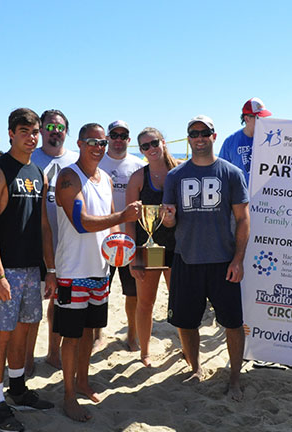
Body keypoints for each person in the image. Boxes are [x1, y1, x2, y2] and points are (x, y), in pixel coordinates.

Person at [53, 123, 141, 422]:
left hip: (100, 269)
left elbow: (110, 224)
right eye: (93, 141)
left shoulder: (103, 177)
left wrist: (122, 246)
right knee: (72, 336)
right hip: (72, 270)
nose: (99, 147)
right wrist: (123, 216)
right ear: (79, 143)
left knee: (90, 333)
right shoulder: (68, 176)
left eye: (102, 143)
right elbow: (81, 222)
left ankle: (82, 382)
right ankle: (67, 395)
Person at [161, 115, 250, 401]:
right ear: (188, 138)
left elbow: (243, 219)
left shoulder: (231, 173)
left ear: (213, 135)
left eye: (204, 132)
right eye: (193, 133)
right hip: (187, 260)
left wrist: (238, 260)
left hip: (223, 262)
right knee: (186, 323)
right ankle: (196, 368)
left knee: (233, 324)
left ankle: (234, 379)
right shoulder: (175, 176)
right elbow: (169, 223)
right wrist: (168, 219)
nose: (198, 137)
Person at [0, 108, 55, 431]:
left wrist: (50, 269)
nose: (31, 136)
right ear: (11, 133)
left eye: (35, 131)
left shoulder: (39, 172)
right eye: (24, 130)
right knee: (2, 335)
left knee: (24, 332)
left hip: (31, 268)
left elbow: (43, 225)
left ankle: (18, 389)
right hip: (5, 269)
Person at [28, 109, 79, 374]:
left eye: (59, 127)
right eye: (49, 127)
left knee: (60, 304)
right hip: (35, 246)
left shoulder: (76, 160)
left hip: (68, 246)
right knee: (33, 307)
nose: (54, 131)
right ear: (41, 130)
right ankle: (26, 359)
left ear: (66, 131)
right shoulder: (29, 158)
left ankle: (52, 353)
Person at [125, 127, 178, 367]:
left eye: (154, 143)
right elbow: (129, 220)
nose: (150, 149)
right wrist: (132, 255)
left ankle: (184, 347)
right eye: (144, 146)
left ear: (163, 142)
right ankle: (144, 352)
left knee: (179, 301)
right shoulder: (138, 178)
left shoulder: (180, 171)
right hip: (149, 248)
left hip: (178, 247)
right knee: (146, 303)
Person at [98, 120, 146, 352]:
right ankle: (99, 335)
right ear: (107, 137)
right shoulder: (97, 161)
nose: (118, 139)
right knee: (99, 289)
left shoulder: (138, 165)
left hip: (130, 236)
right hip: (101, 236)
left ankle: (132, 335)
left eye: (123, 135)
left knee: (133, 292)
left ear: (129, 139)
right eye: (114, 135)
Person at [218, 97, 272, 183]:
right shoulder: (230, 142)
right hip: (239, 195)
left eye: (264, 118)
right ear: (247, 119)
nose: (262, 121)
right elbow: (221, 172)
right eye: (259, 118)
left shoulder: (271, 140)